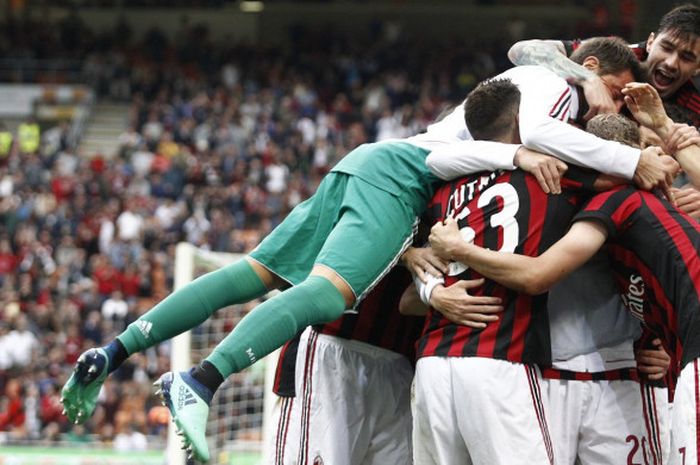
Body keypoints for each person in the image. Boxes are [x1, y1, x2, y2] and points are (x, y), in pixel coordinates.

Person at [61, 37, 670, 462]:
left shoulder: (525, 82)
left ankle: (111, 353)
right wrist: (631, 155)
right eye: (617, 90)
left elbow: (524, 66)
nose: (614, 104)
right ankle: (202, 378)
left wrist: (425, 268)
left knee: (254, 273)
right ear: (589, 67)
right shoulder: (554, 91)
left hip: (376, 167)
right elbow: (536, 130)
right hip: (400, 178)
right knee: (329, 291)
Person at [428, 83, 700, 465]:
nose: (660, 160)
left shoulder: (647, 201)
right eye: (651, 151)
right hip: (549, 369)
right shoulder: (554, 182)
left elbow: (434, 161)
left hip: (622, 370)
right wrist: (429, 286)